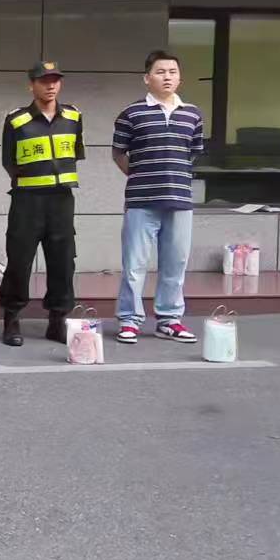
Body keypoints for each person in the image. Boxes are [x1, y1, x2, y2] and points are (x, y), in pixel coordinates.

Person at [113, 49, 205, 345]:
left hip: (179, 201)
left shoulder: (193, 114)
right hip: (141, 202)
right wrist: (141, 176)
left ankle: (169, 319)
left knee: (175, 264)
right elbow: (119, 153)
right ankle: (129, 320)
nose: (167, 77)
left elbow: (193, 154)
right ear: (147, 78)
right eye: (160, 72)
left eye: (172, 72)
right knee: (134, 266)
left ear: (180, 78)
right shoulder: (131, 114)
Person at [0, 60, 84, 347]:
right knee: (19, 260)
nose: (50, 86)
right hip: (27, 200)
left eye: (55, 80)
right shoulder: (16, 120)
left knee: (63, 261)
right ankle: (11, 319)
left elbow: (75, 153)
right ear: (31, 85)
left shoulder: (73, 116)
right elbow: (9, 162)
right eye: (44, 81)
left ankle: (57, 321)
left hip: (62, 200)